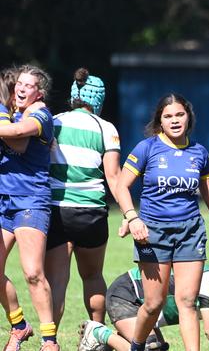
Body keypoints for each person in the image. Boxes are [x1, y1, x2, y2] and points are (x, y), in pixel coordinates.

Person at [114, 92, 209, 351]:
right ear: (160, 120)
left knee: (187, 301)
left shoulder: (199, 152)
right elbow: (121, 185)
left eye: (179, 114)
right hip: (152, 234)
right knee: (153, 303)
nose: (174, 120)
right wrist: (132, 217)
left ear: (188, 117)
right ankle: (136, 346)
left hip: (190, 232)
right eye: (168, 116)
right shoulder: (147, 148)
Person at [43, 68, 121, 328]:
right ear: (98, 99)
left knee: (56, 281)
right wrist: (130, 213)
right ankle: (95, 336)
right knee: (93, 276)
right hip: (91, 212)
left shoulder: (52, 122)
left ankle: (49, 341)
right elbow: (113, 176)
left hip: (57, 209)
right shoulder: (106, 128)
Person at [79, 246, 209, 351]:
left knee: (156, 347)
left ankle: (117, 339)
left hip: (143, 308)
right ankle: (97, 332)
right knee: (148, 349)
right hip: (126, 295)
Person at [0, 65, 60, 350]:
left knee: (33, 273)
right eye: (18, 84)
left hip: (30, 201)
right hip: (4, 200)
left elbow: (18, 138)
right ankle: (19, 325)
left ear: (39, 92)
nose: (21, 89)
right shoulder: (10, 113)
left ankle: (49, 341)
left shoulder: (40, 115)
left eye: (28, 85)